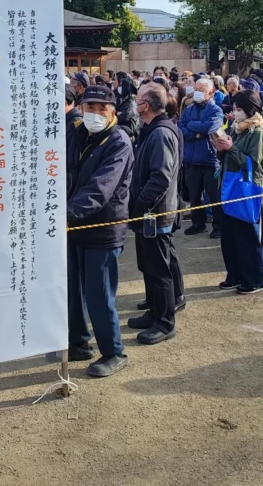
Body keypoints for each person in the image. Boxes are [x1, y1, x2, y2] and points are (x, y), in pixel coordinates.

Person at [66, 85, 134, 378]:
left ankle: (114, 352)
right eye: (89, 107)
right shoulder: (75, 133)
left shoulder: (119, 142)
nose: (94, 113)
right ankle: (78, 342)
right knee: (71, 289)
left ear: (112, 111)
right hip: (72, 226)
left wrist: (65, 214)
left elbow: (100, 188)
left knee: (99, 295)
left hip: (102, 228)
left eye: (101, 108)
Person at [127, 82, 185, 345]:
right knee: (148, 266)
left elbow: (160, 178)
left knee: (159, 269)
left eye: (138, 99)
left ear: (146, 105)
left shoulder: (161, 133)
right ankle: (154, 311)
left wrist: (139, 205)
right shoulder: (151, 130)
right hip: (148, 214)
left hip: (156, 214)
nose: (135, 103)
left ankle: (164, 322)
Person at [214, 89, 263, 293]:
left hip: (246, 188)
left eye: (238, 109)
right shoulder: (236, 129)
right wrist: (221, 148)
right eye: (234, 108)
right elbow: (229, 156)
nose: (234, 112)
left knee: (246, 236)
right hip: (229, 185)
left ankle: (255, 280)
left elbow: (252, 164)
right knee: (229, 237)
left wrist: (231, 149)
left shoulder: (258, 132)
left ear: (249, 109)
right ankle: (235, 275)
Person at [178, 77, 224, 237]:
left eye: (202, 90)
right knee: (194, 194)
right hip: (190, 158)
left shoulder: (216, 110)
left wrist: (192, 126)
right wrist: (196, 133)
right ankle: (198, 223)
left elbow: (210, 127)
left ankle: (219, 226)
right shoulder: (188, 109)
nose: (197, 92)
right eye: (196, 89)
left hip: (209, 159)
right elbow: (180, 128)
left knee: (214, 195)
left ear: (211, 92)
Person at [114, 74, 140, 141]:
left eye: (121, 85)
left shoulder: (131, 101)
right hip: (123, 130)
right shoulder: (123, 99)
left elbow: (125, 117)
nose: (119, 87)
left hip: (129, 132)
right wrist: (117, 113)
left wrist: (116, 114)